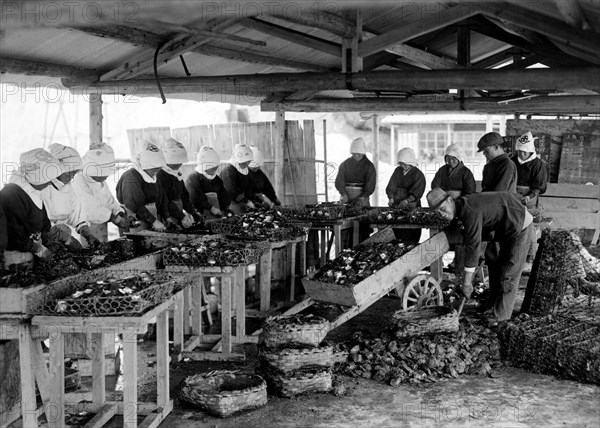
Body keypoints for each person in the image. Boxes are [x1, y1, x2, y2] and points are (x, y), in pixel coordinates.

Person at [427, 188, 533, 324]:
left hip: (519, 224)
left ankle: (501, 317)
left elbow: (474, 246)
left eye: (442, 208)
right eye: (438, 212)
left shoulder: (469, 211)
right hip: (503, 227)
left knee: (508, 274)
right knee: (495, 267)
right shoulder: (459, 209)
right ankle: (492, 306)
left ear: (449, 200)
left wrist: (467, 282)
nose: (442, 214)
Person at [0, 148, 75, 263]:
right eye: (47, 180)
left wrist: (65, 238)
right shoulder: (11, 195)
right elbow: (14, 234)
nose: (50, 183)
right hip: (14, 258)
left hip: (31, 256)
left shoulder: (35, 192)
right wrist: (39, 250)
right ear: (37, 177)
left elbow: (44, 225)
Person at [41, 143, 100, 249]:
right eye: (70, 172)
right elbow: (40, 223)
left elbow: (76, 215)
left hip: (63, 237)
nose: (72, 176)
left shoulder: (68, 188)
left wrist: (87, 234)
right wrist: (65, 237)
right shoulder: (43, 188)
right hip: (44, 240)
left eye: (75, 173)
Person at [72, 143, 129, 242]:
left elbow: (109, 201)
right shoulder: (79, 180)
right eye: (104, 174)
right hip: (85, 229)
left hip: (101, 226)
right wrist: (115, 218)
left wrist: (119, 212)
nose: (107, 177)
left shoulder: (101, 182)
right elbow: (90, 208)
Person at [116, 141, 172, 232]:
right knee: (137, 243)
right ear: (146, 165)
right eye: (155, 168)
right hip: (134, 218)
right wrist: (154, 221)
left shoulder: (153, 176)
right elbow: (134, 203)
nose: (157, 171)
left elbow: (162, 198)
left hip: (149, 217)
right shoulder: (131, 177)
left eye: (159, 168)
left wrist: (167, 217)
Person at [512, 131, 548, 270]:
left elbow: (539, 186)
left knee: (528, 224)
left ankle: (530, 256)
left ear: (531, 151)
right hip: (513, 195)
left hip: (530, 197)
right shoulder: (512, 161)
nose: (521, 154)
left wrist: (529, 196)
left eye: (524, 152)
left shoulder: (538, 164)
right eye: (519, 151)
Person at [156, 138, 202, 228]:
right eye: (176, 162)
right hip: (166, 214)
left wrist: (193, 212)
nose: (180, 164)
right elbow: (164, 201)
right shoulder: (160, 175)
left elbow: (184, 196)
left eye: (181, 162)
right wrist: (181, 216)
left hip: (178, 212)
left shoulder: (177, 173)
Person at [386, 148, 426, 243]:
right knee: (397, 231)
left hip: (412, 206)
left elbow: (417, 191)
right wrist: (391, 198)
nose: (402, 166)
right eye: (401, 163)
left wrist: (407, 201)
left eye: (404, 164)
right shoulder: (397, 171)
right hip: (396, 205)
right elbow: (391, 185)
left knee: (411, 231)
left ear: (410, 163)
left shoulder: (418, 174)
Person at [185, 146, 232, 218]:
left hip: (217, 215)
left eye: (215, 168)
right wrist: (210, 208)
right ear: (204, 167)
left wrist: (225, 208)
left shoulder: (217, 180)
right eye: (211, 168)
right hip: (200, 214)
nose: (214, 170)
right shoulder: (193, 179)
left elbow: (223, 196)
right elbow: (194, 198)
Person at [334, 137, 376, 207]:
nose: (356, 156)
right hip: (346, 196)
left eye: (359, 154)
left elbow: (370, 185)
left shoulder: (369, 166)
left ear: (363, 153)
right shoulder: (345, 164)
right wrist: (343, 194)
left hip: (363, 198)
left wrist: (363, 197)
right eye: (354, 154)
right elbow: (339, 181)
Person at [221, 144, 256, 213]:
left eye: (248, 162)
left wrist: (252, 200)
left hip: (241, 200)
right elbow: (230, 191)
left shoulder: (245, 171)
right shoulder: (228, 171)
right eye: (245, 162)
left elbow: (249, 188)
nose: (247, 164)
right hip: (229, 201)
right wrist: (246, 201)